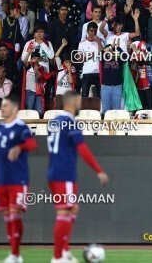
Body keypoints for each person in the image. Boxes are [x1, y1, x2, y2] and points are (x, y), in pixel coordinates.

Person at [47, 91, 109, 263]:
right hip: (64, 173)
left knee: (72, 210)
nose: (80, 104)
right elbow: (82, 148)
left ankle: (64, 252)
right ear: (71, 102)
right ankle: (58, 257)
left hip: (55, 171)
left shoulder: (54, 122)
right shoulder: (70, 123)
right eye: (78, 101)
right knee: (64, 212)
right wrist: (99, 170)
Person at [0, 96, 37, 263]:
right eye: (2, 106)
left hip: (18, 180)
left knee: (15, 213)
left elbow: (32, 144)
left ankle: (16, 255)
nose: (2, 108)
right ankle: (13, 253)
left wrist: (19, 146)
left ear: (15, 109)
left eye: (5, 106)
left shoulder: (20, 128)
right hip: (3, 180)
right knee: (8, 215)